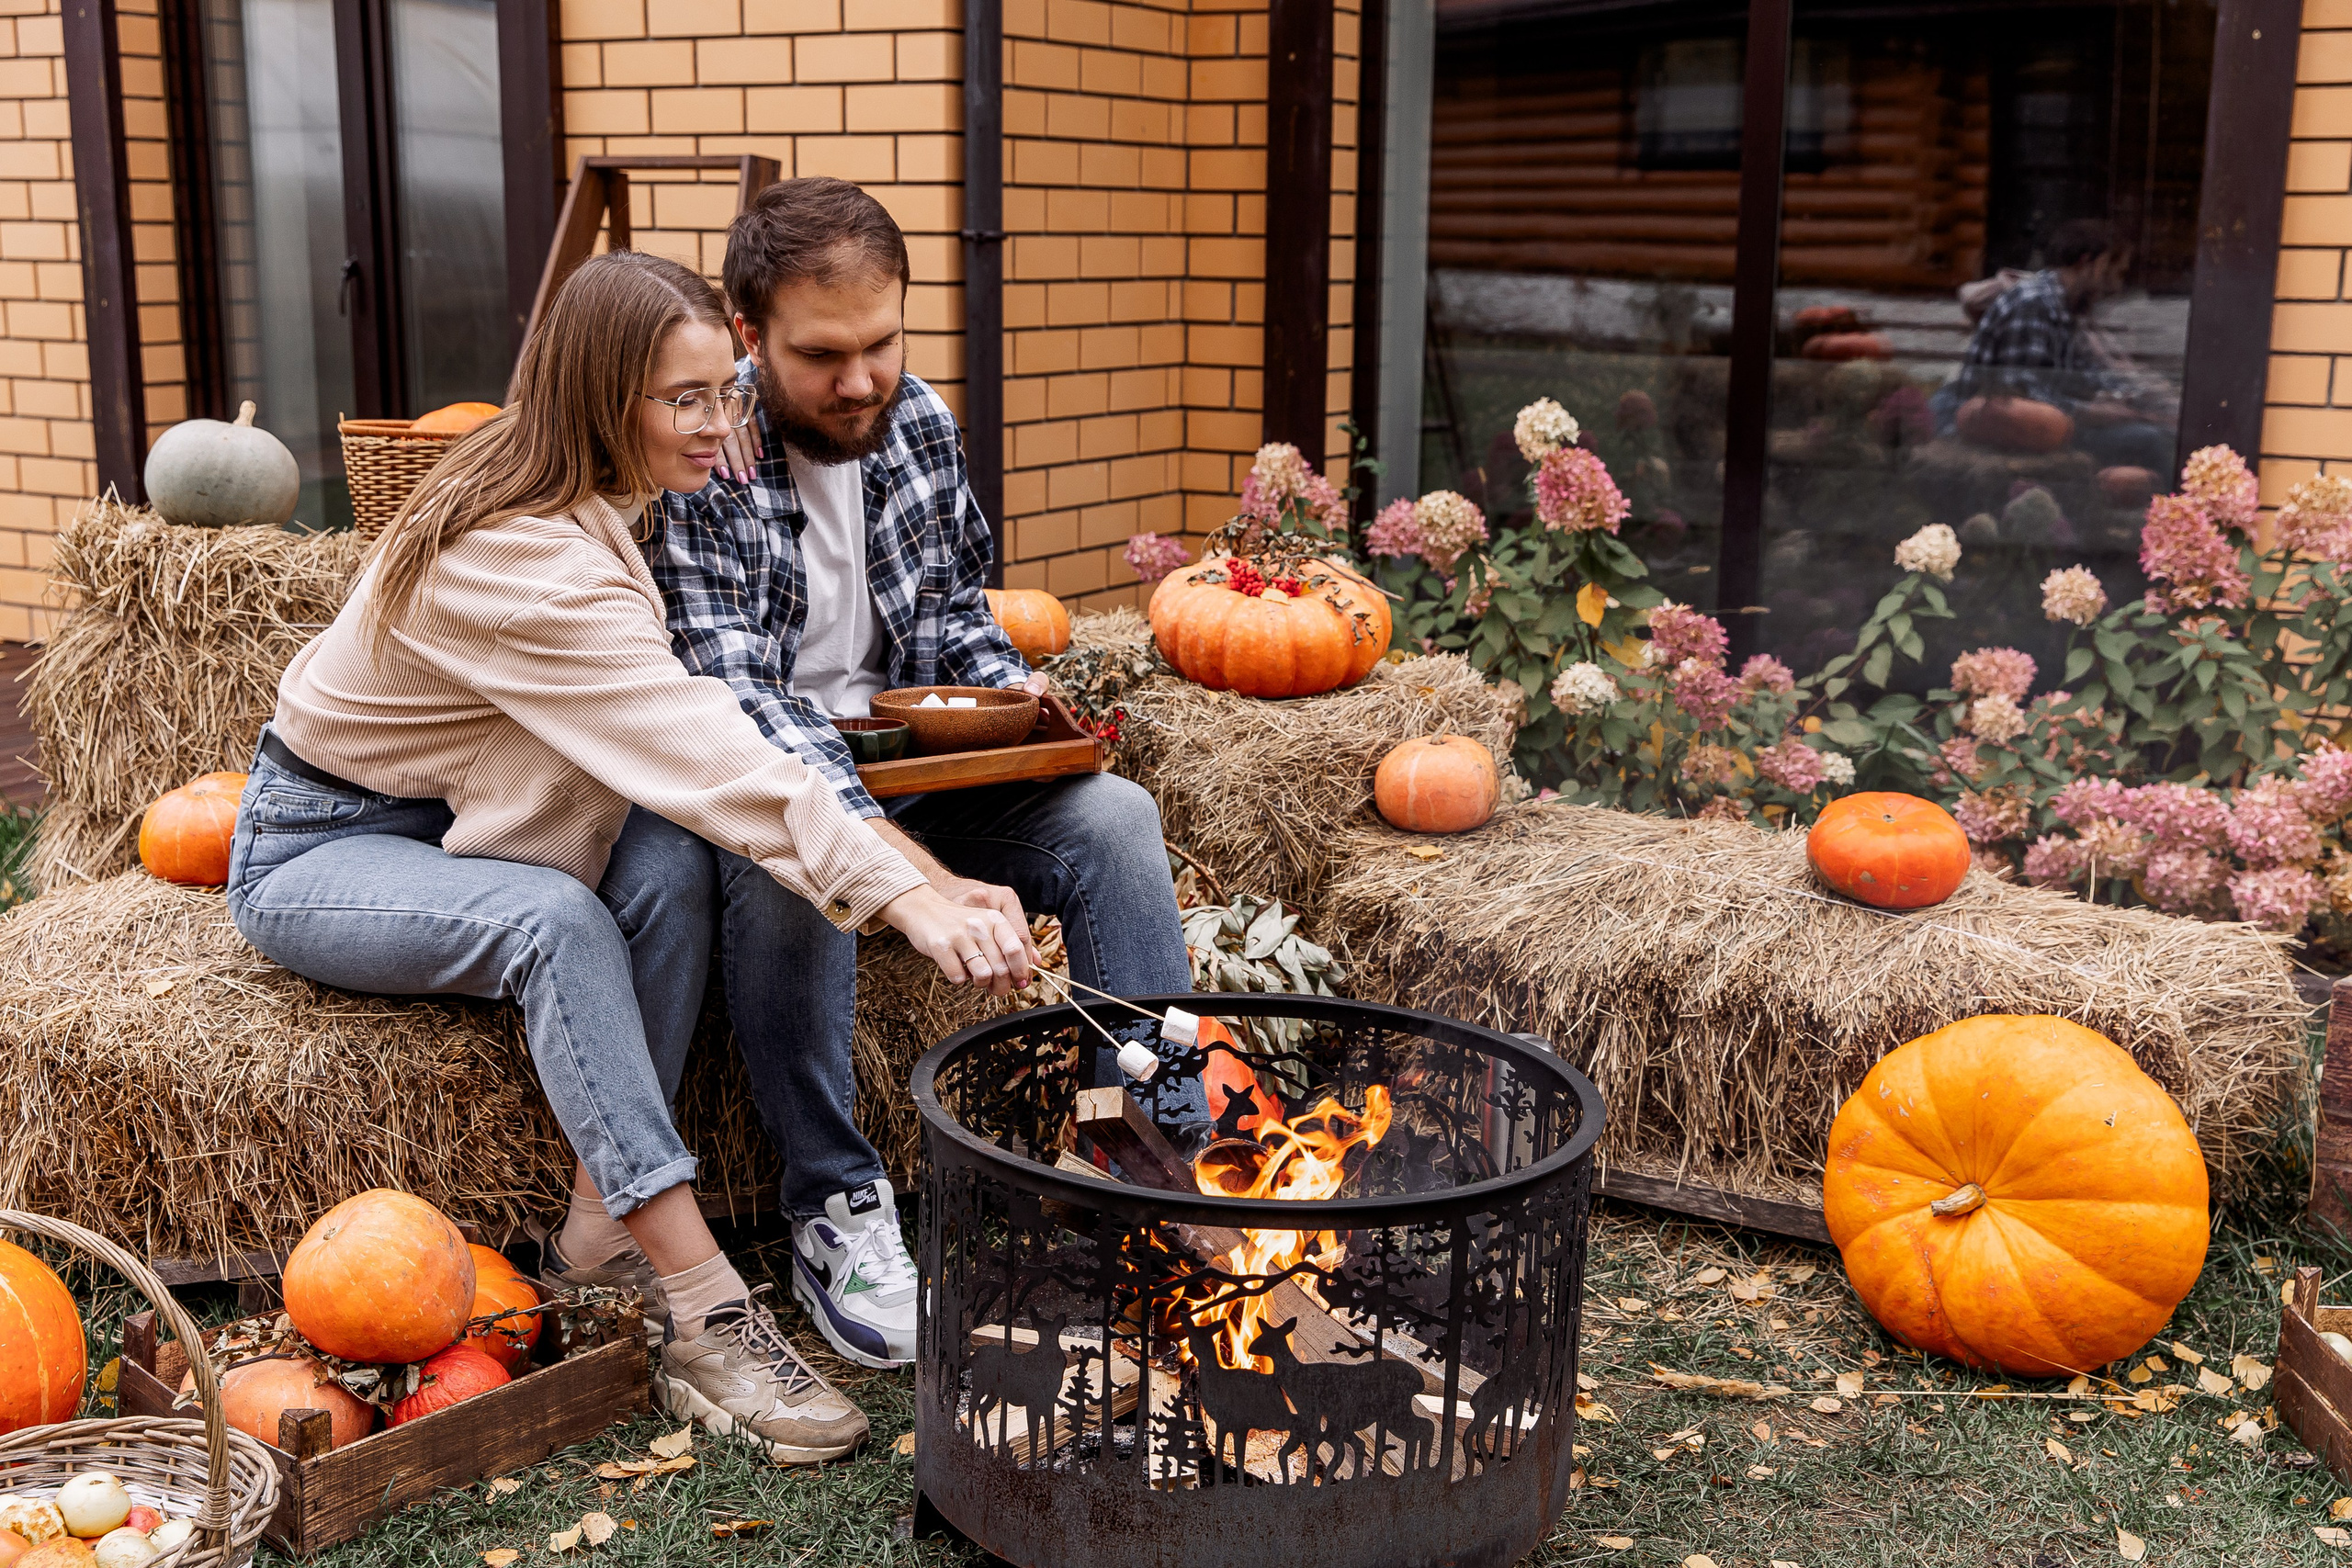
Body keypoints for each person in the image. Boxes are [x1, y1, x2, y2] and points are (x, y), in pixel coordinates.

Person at [223, 250, 1037, 1464]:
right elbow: (706, 745)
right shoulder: (519, 557)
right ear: (605, 399)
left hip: (457, 810)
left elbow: (698, 757)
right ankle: (704, 1308)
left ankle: (598, 1235)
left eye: (727, 393)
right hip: (328, 844)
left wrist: (904, 874)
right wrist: (907, 895)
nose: (721, 424)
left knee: (669, 853)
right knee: (556, 923)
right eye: (686, 399)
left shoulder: (590, 477)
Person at [653, 177, 1194, 1371]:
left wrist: (1024, 713)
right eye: (822, 355)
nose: (862, 381)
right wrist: (918, 884)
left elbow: (953, 619)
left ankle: (1149, 1163)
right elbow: (750, 719)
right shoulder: (699, 457)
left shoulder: (919, 422)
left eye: (883, 343)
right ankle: (834, 1202)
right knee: (792, 857)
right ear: (749, 335)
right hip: (774, 786)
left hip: (911, 771)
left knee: (1113, 817)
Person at [1949, 217, 2179, 473]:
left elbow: (2088, 373)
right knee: (2148, 440)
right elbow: (2024, 394)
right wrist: (2095, 412)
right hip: (2003, 427)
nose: (2116, 286)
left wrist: (2138, 398)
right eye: (2114, 273)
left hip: (2048, 419)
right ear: (2088, 263)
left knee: (2158, 429)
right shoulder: (2034, 303)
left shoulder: (2066, 306)